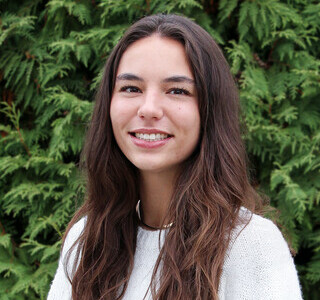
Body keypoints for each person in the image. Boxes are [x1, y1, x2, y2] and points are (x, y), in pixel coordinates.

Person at [47, 14, 303, 300]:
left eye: (177, 91)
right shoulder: (87, 240)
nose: (149, 108)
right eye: (131, 88)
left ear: (209, 110)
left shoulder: (249, 245)